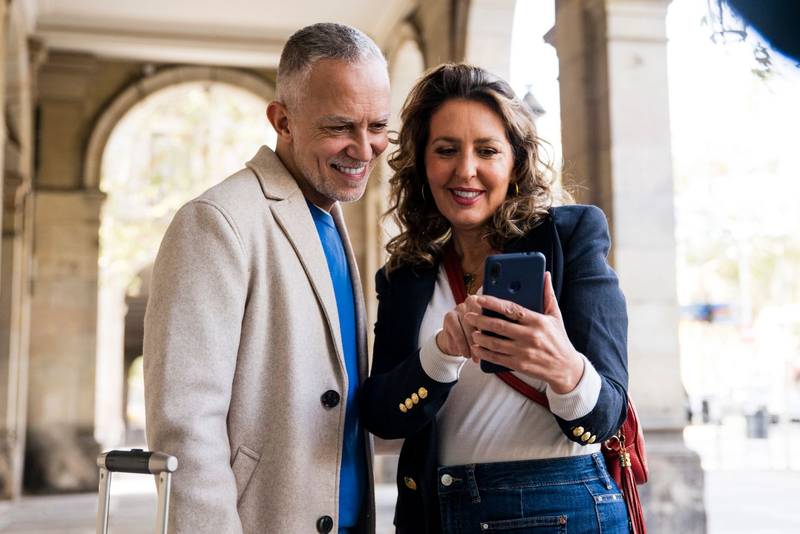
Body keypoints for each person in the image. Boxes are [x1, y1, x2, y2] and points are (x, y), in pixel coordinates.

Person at [360, 63, 630, 533]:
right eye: (446, 150)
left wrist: (563, 366)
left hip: (562, 506)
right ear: (423, 164)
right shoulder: (406, 274)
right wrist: (441, 354)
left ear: (515, 162)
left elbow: (608, 417)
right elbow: (382, 414)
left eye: (487, 150)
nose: (466, 170)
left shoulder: (572, 237)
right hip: (435, 512)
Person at [143, 23, 390, 534]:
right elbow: (185, 428)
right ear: (283, 120)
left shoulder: (333, 218)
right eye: (340, 127)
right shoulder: (215, 221)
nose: (364, 149)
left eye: (378, 126)